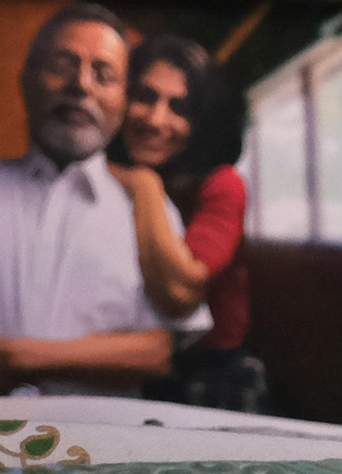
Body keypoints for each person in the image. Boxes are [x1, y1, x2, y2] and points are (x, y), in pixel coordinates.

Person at [0, 1, 207, 395]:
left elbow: (160, 351)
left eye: (104, 75)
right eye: (62, 65)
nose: (81, 85)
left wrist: (12, 355)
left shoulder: (146, 208)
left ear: (122, 99)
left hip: (100, 433)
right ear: (26, 81)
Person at [111, 32, 264, 412]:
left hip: (211, 372)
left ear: (201, 121)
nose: (156, 119)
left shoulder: (223, 183)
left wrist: (143, 185)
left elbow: (182, 290)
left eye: (179, 107)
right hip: (125, 361)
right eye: (144, 97)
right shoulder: (103, 175)